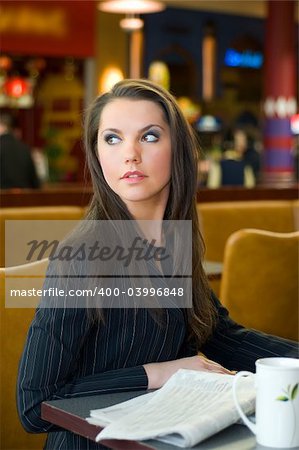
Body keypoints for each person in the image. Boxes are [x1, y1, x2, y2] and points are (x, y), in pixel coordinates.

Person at [17, 80, 298, 450]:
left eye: (148, 137)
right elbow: (35, 404)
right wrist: (161, 372)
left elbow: (219, 334)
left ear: (177, 148)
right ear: (96, 154)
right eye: (112, 139)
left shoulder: (173, 242)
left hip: (158, 436)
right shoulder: (82, 256)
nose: (129, 154)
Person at [0, 112, 40, 189]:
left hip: (2, 198)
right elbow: (34, 182)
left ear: (2, 126)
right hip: (24, 198)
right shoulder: (24, 148)